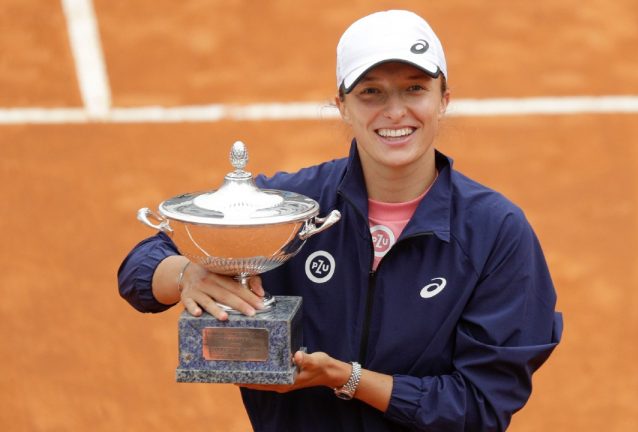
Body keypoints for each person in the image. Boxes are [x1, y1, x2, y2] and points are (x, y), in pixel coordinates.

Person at [118, 9, 563, 432]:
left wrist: (344, 377)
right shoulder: (291, 205)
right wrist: (186, 275)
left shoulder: (495, 231)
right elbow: (139, 267)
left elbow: (479, 407)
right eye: (371, 92)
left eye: (414, 89)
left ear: (443, 100)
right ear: (342, 106)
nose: (394, 112)